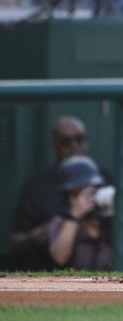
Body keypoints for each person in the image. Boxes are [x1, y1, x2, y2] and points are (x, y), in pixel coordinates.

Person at [11, 116, 91, 270]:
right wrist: (36, 237)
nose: (74, 146)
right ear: (54, 146)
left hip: (104, 276)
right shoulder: (36, 188)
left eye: (79, 139)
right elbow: (16, 242)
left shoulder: (105, 180)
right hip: (51, 273)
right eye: (66, 141)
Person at [49, 155, 123, 270]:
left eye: (90, 191)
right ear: (67, 197)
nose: (86, 198)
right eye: (77, 193)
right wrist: (74, 216)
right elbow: (60, 258)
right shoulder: (61, 222)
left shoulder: (112, 221)